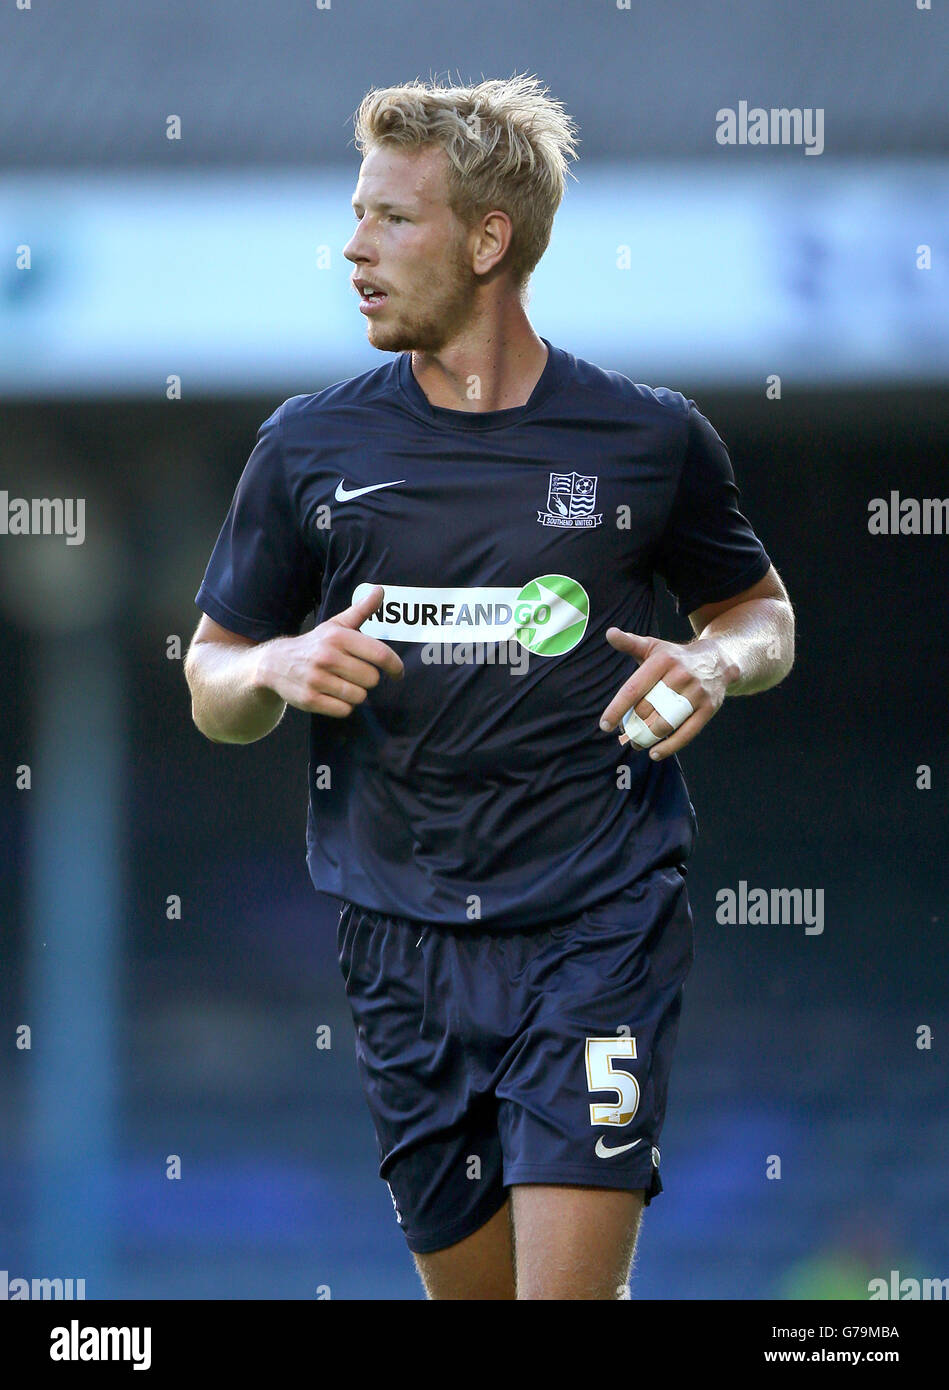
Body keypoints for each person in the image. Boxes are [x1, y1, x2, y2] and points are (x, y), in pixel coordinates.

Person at [184, 75, 795, 1300]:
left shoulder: (647, 438)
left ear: (487, 239)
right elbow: (212, 676)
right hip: (398, 943)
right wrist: (276, 666)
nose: (352, 248)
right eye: (354, 216)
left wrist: (715, 661)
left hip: (596, 924)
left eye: (390, 220)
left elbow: (760, 613)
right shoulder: (307, 445)